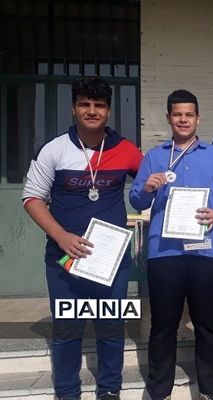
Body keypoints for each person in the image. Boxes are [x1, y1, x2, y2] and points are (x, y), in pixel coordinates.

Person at [22, 77, 143, 400]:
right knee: (67, 328)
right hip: (64, 259)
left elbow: (148, 184)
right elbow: (31, 198)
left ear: (109, 111)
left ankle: (109, 391)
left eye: (99, 105)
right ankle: (67, 393)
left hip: (111, 261)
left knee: (111, 326)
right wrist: (60, 236)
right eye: (84, 104)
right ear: (73, 108)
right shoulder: (54, 149)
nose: (92, 111)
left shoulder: (126, 149)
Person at [129, 89, 213, 400]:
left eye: (189, 114)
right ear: (168, 118)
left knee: (207, 324)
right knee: (163, 325)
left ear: (198, 118)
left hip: (207, 250)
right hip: (165, 252)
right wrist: (147, 189)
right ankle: (159, 390)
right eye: (177, 114)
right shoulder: (154, 157)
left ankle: (209, 390)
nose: (183, 119)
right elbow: (136, 199)